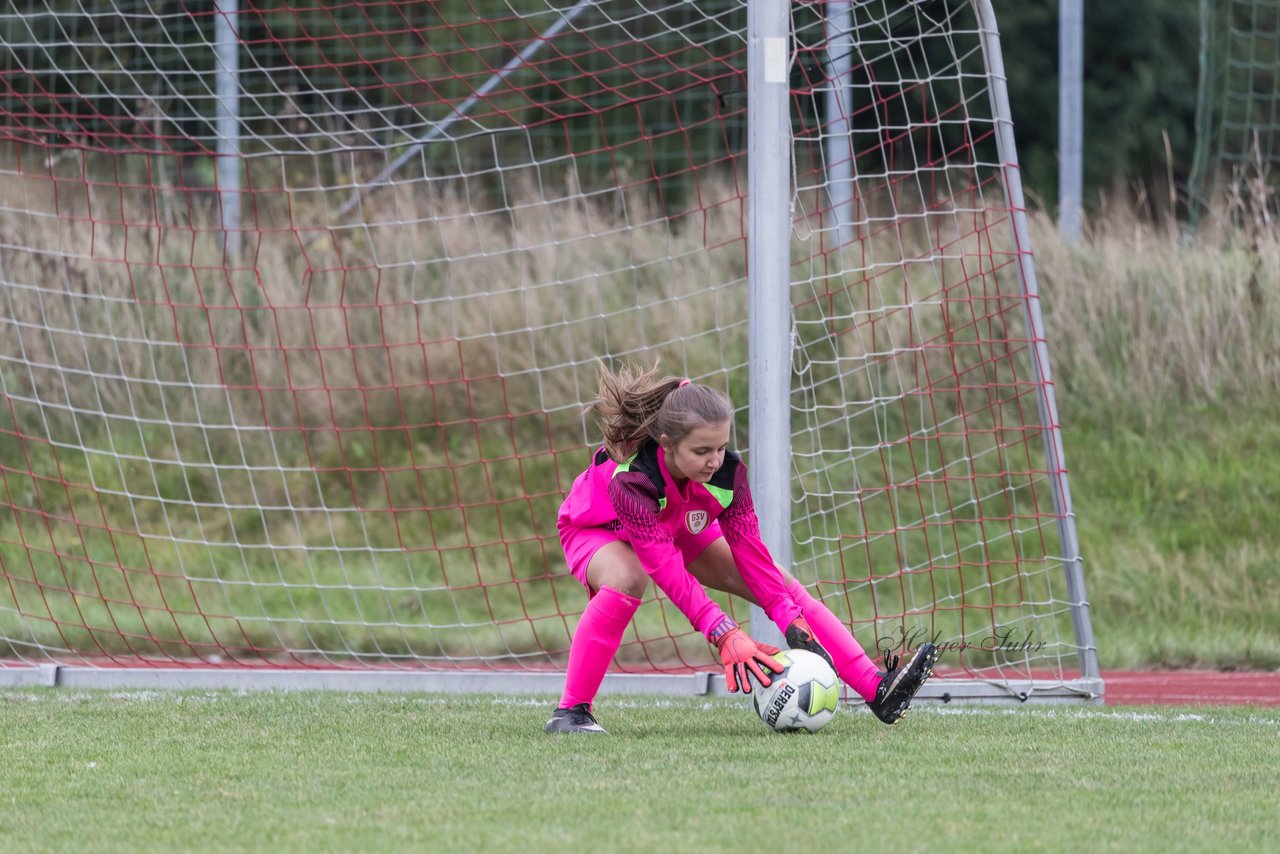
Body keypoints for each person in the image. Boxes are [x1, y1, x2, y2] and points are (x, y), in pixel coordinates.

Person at [545, 363, 939, 734]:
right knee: (627, 578)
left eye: (720, 447)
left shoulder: (727, 474)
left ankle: (877, 689)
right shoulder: (633, 481)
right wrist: (723, 631)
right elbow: (665, 569)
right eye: (701, 451)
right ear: (666, 445)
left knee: (781, 583)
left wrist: (788, 617)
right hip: (598, 529)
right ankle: (572, 710)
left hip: (674, 524)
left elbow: (752, 555)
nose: (714, 460)